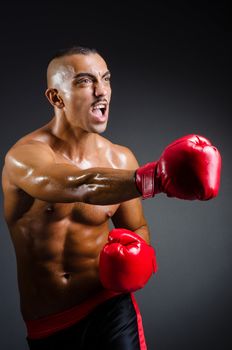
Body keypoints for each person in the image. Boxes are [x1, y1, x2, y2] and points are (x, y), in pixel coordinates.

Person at [1, 46, 221, 350]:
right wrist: (155, 179)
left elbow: (137, 228)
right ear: (56, 97)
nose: (101, 91)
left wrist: (138, 255)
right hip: (48, 324)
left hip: (110, 310)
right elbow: (80, 185)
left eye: (105, 79)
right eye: (85, 82)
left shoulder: (121, 159)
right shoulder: (24, 157)